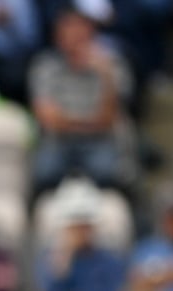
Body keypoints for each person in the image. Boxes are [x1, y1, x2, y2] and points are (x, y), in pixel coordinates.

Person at [28, 4, 135, 198]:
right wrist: (89, 122)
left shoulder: (112, 65)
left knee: (110, 174)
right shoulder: (44, 66)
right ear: (57, 34)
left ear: (92, 31)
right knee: (44, 174)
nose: (75, 35)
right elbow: (50, 120)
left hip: (100, 141)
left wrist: (105, 76)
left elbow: (108, 118)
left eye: (80, 27)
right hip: (58, 142)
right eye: (68, 27)